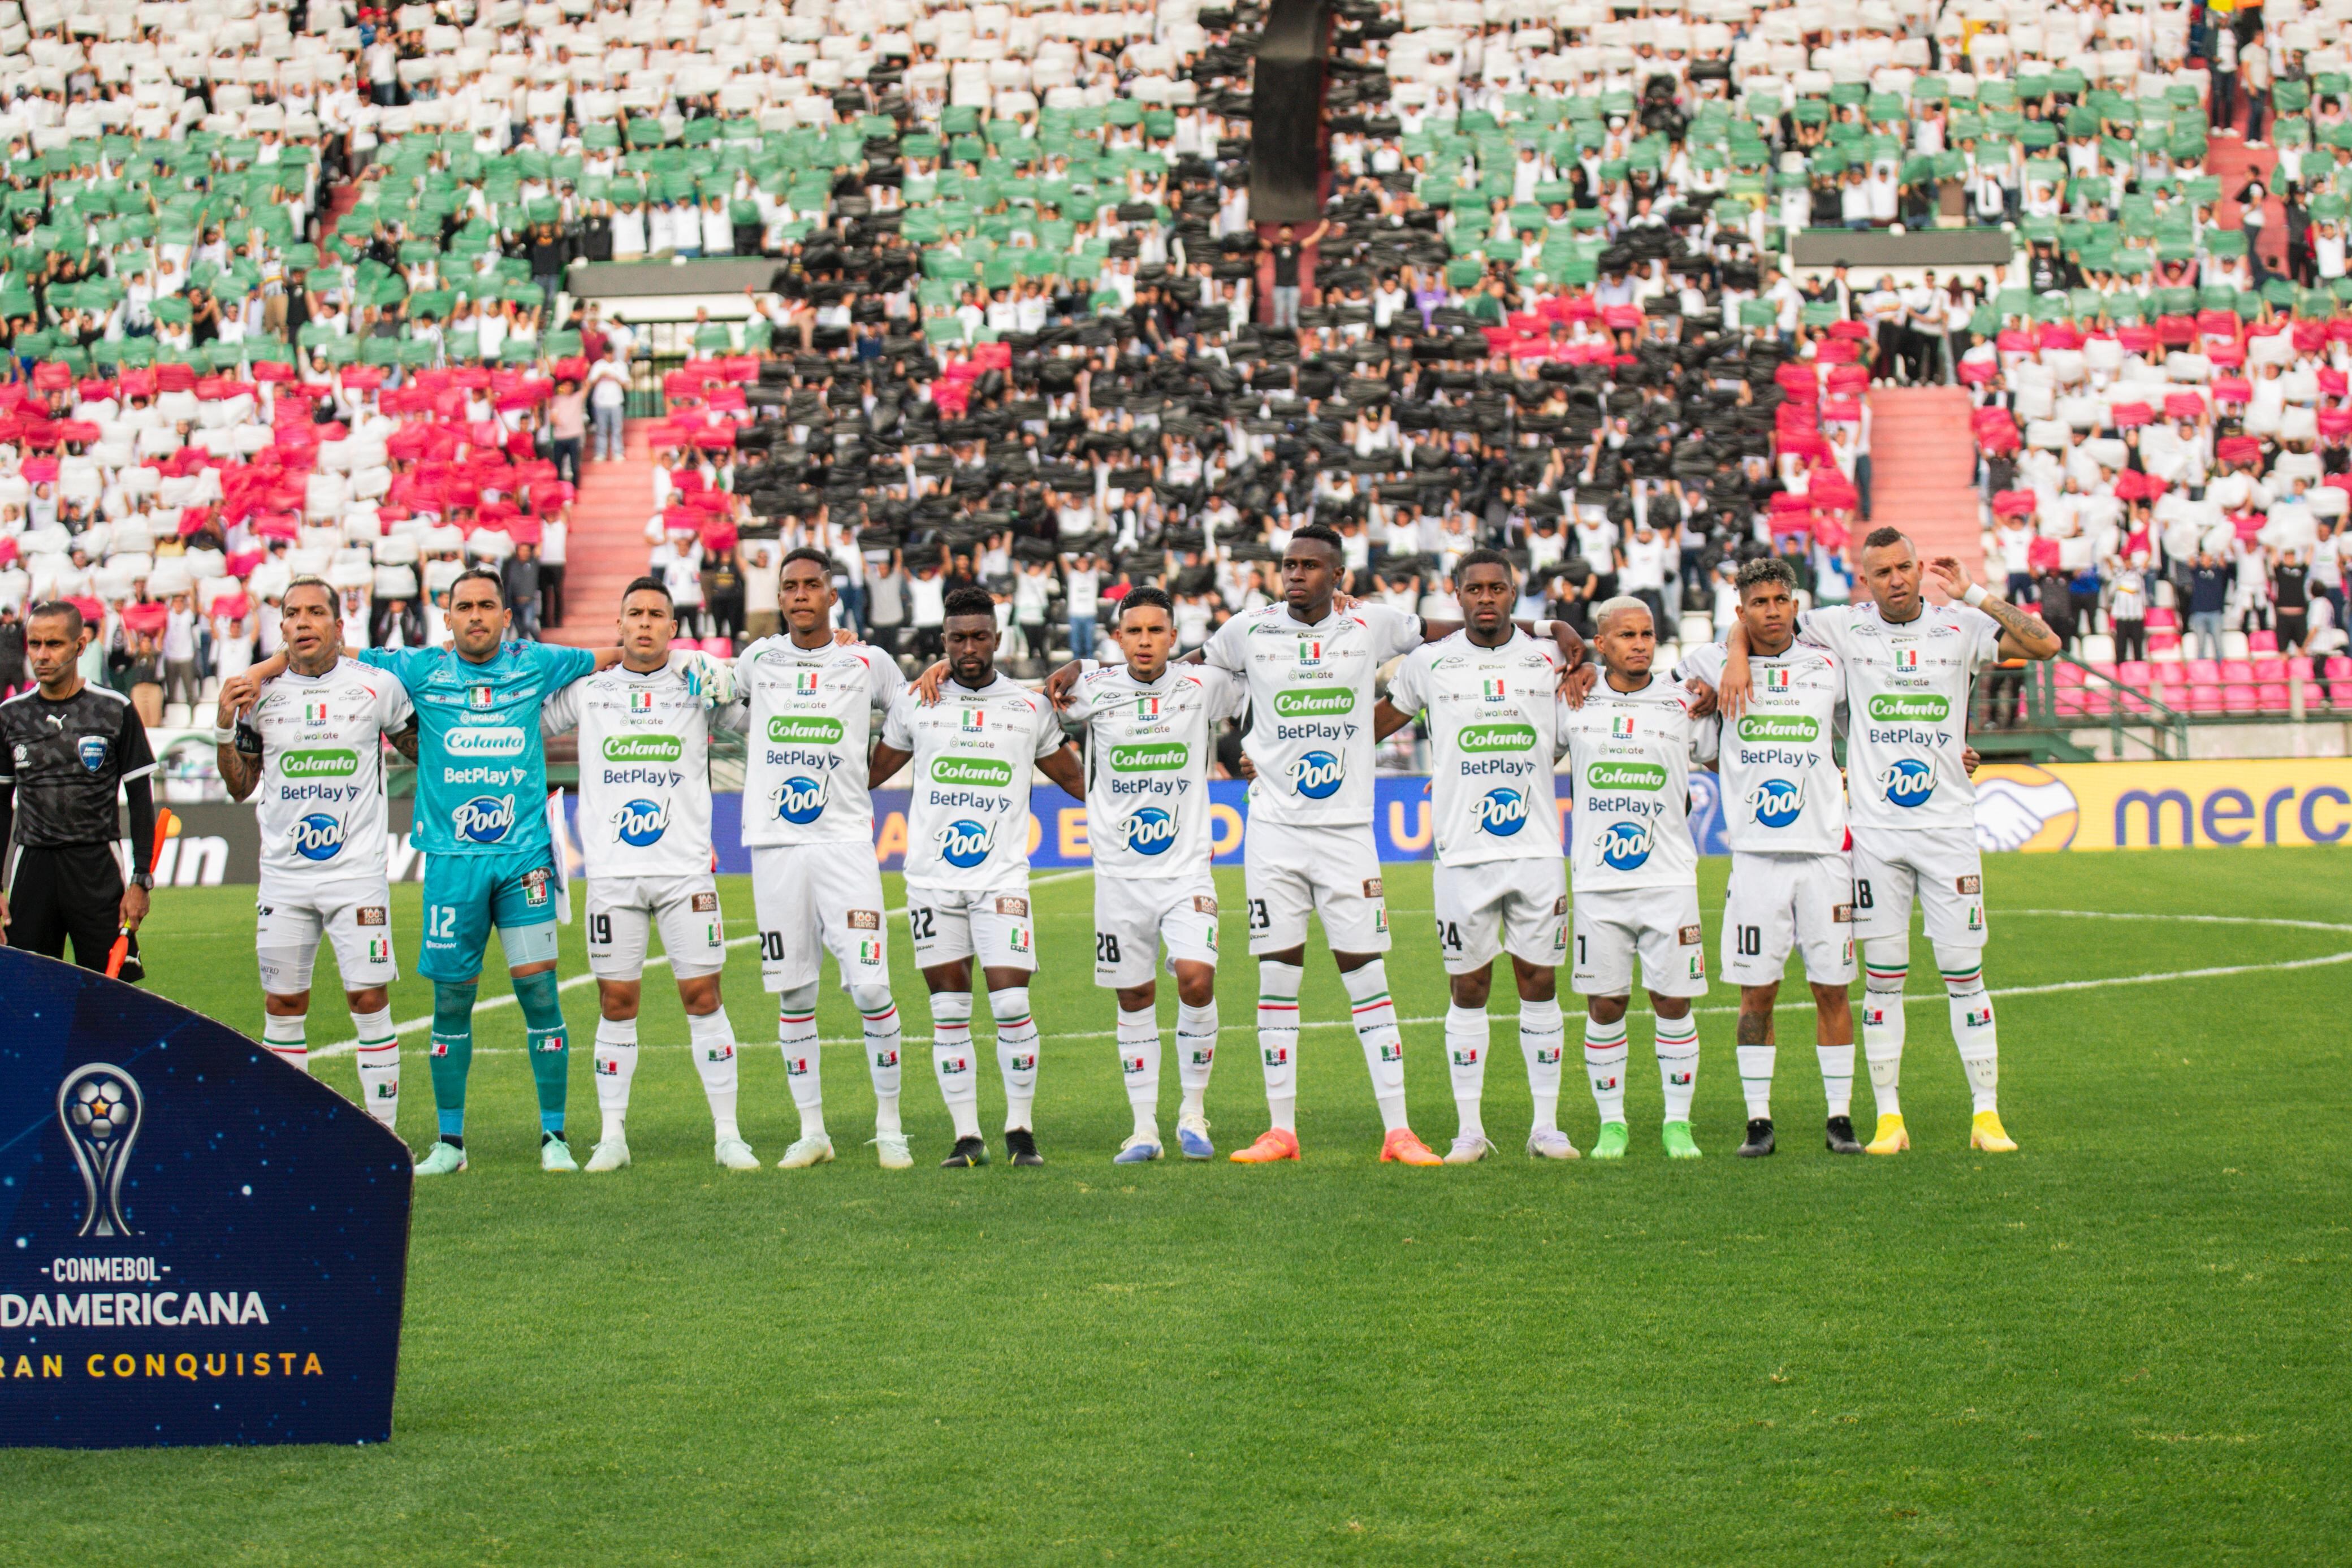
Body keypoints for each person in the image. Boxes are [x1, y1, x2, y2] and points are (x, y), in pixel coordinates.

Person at [226, 572, 678, 1174]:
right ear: (447, 616)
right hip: (449, 862)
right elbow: (327, 647)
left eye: (486, 605)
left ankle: (554, 1137)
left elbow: (626, 649)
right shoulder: (414, 669)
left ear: (504, 615)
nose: (475, 615)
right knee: (450, 1001)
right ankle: (450, 1143)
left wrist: (688, 657)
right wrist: (263, 671)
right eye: (462, 606)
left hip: (523, 860)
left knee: (540, 990)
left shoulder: (536, 662)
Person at [1185, 523, 1588, 1166]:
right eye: (1287, 564)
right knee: (1277, 976)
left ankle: (1398, 1130)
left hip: (1347, 831)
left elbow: (1445, 627)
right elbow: (1188, 679)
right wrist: (1250, 748)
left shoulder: (1369, 623)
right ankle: (1279, 1129)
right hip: (1272, 829)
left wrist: (1550, 629)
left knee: (1367, 976)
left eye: (1309, 566)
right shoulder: (1247, 628)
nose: (1294, 574)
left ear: (1337, 575)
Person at [1719, 527, 2061, 1155]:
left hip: (1949, 829)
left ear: (1918, 567)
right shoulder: (1841, 627)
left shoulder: (1959, 623)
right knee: (1882, 978)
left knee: (1965, 973)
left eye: (1905, 566)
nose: (1896, 579)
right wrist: (1737, 652)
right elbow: (1761, 615)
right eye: (1882, 572)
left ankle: (1985, 1114)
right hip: (1874, 832)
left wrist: (1974, 592)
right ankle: (1887, 1117)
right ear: (1864, 581)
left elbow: (2045, 644)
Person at [539, 579, 757, 1172]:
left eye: (655, 614)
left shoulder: (697, 683)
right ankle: (612, 1135)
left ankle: (728, 1133)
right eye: (633, 612)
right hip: (612, 875)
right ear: (619, 625)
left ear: (671, 625)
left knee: (703, 995)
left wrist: (740, 678)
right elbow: (525, 725)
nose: (643, 622)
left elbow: (763, 720)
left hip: (685, 872)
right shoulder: (589, 690)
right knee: (616, 1000)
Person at [867, 587, 1087, 1168]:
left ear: (998, 638)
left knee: (1013, 1003)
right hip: (931, 882)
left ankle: (1021, 1130)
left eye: (979, 636)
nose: (968, 648)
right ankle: (966, 1137)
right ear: (942, 641)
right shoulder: (917, 702)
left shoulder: (1028, 707)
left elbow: (1078, 781)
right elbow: (867, 772)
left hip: (1002, 881)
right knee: (948, 1010)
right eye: (957, 638)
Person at [1373, 551, 1579, 1162]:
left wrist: (1569, 641)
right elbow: (1376, 725)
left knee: (1538, 981)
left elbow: (1577, 733)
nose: (1485, 597)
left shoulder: (1551, 659)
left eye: (1497, 587)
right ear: (1454, 594)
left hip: (1537, 847)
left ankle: (1545, 1126)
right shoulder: (1428, 662)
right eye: (1474, 588)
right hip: (1462, 852)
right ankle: (1469, 1129)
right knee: (1468, 986)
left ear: (1514, 593)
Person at [213, 577, 417, 1128]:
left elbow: (423, 750)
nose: (303, 622)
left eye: (315, 612)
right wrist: (223, 726)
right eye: (292, 613)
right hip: (283, 879)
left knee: (369, 1002)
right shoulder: (260, 696)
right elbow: (239, 785)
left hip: (356, 878)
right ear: (280, 627)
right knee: (282, 1007)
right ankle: (291, 1135)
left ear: (338, 623)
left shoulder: (376, 687)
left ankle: (386, 1135)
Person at [1676, 557, 1863, 1156]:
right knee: (1755, 990)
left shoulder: (1825, 664)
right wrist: (1729, 660)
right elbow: (1663, 697)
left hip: (1825, 854)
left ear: (1794, 604)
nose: (1772, 611)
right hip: (1754, 856)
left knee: (1830, 987)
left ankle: (1839, 1116)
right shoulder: (1707, 662)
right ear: (1741, 611)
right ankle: (1758, 1119)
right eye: (1758, 603)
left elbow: (1874, 722)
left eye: (1781, 599)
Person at [735, 548, 912, 1169]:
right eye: (790, 586)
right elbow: (721, 705)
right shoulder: (756, 659)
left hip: (843, 843)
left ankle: (889, 1125)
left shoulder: (867, 659)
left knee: (869, 986)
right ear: (780, 597)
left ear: (832, 594)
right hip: (776, 844)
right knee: (792, 991)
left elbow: (911, 713)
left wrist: (870, 772)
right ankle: (812, 1130)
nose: (801, 594)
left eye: (812, 584)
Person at [1059, 587, 1247, 1162]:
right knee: (1134, 993)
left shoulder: (1203, 686)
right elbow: (1009, 703)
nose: (1144, 640)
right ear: (1117, 639)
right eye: (1133, 631)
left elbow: (1270, 684)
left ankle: (1193, 1110)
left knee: (1196, 978)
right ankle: (1143, 1128)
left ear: (1173, 637)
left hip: (1185, 868)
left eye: (1155, 630)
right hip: (1118, 874)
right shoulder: (1088, 689)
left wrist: (1259, 751)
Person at [1559, 597, 1711, 1160]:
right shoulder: (1573, 700)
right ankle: (1611, 1124)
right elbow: (1527, 750)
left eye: (1647, 633)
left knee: (1673, 1002)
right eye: (1626, 634)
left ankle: (1677, 1123)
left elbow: (1732, 755)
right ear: (1601, 644)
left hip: (1670, 880)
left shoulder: (1683, 701)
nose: (1640, 643)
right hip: (1598, 882)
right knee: (1604, 1004)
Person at [0, 603, 159, 980]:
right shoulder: (10, 715)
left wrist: (140, 881)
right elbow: (1, 807)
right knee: (29, 993)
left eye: (53, 643)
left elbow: (140, 800)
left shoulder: (114, 709)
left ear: (80, 645)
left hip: (97, 867)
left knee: (112, 993)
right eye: (34, 644)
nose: (42, 654)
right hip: (33, 866)